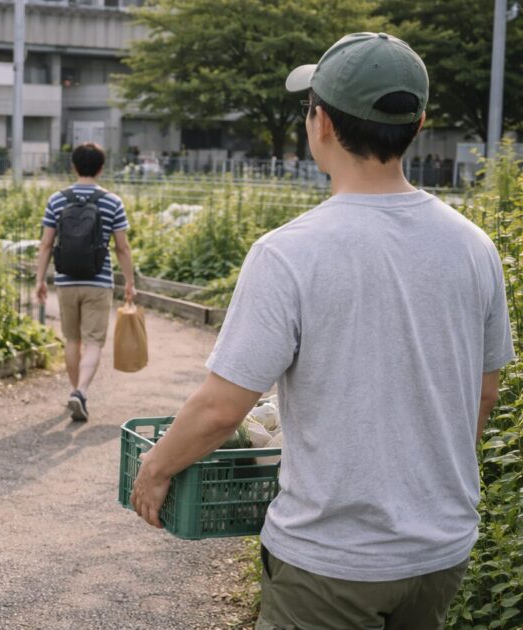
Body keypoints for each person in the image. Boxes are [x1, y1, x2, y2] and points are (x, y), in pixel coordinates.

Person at [130, 32, 513, 629]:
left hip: (330, 562)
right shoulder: (474, 246)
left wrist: (156, 468)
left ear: (322, 125)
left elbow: (221, 409)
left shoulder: (289, 253)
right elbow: (483, 394)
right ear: (417, 127)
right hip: (440, 552)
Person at [35, 142, 136, 421]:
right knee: (93, 342)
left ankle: (75, 391)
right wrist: (129, 281)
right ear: (101, 168)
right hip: (98, 281)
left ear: (74, 166)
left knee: (72, 339)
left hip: (66, 280)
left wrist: (40, 280)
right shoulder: (112, 201)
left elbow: (46, 244)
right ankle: (80, 392)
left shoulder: (57, 199)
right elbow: (122, 247)